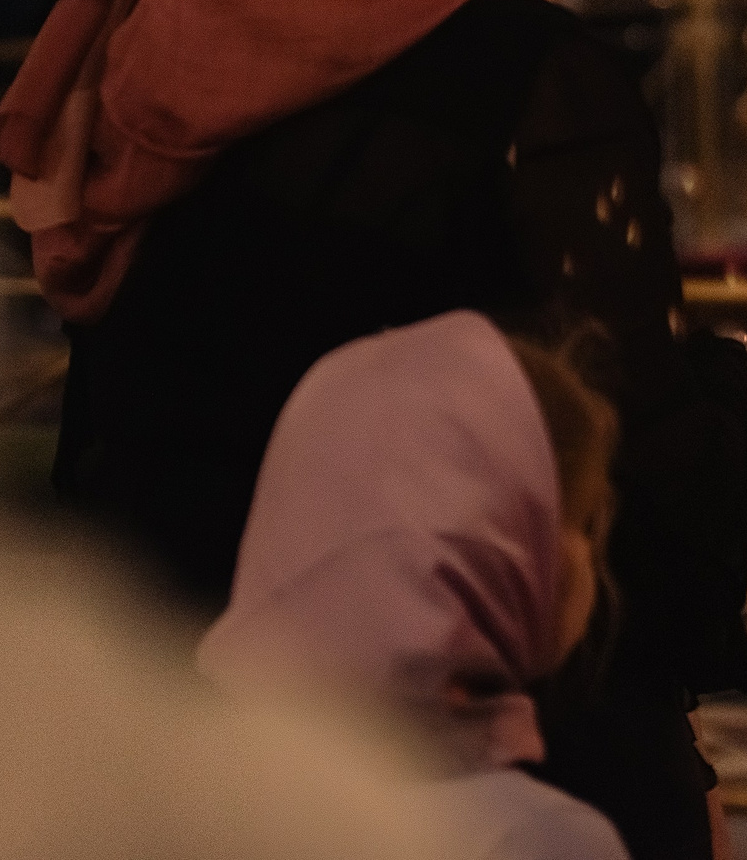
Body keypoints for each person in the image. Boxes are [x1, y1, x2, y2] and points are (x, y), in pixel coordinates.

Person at [0, 0, 747, 860]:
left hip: (201, 752)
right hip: (493, 767)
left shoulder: (141, 56)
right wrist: (732, 400)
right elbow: (614, 458)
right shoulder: (520, 74)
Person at [200, 311, 629, 860]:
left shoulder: (163, 796)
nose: (593, 559)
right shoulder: (537, 839)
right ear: (501, 552)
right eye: (579, 523)